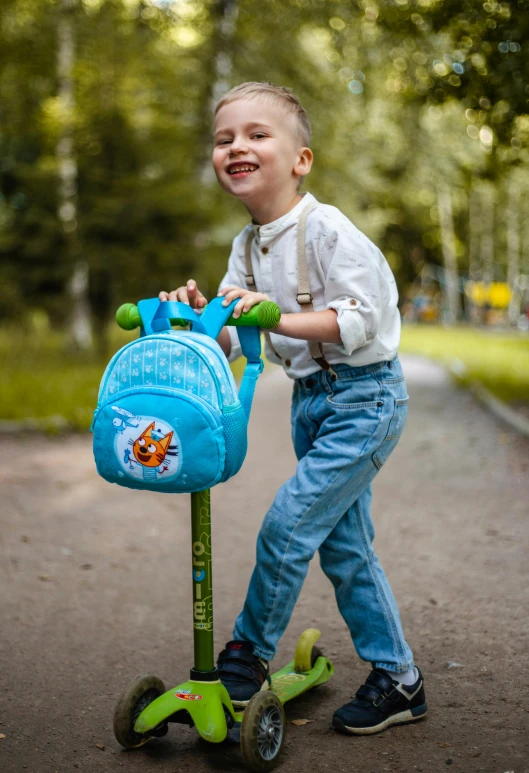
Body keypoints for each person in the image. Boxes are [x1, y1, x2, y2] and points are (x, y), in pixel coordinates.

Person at [159, 82, 427, 735]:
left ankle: (246, 653)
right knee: (344, 547)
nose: (236, 147)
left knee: (287, 524)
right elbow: (229, 336)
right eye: (224, 139)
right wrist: (199, 316)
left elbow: (360, 322)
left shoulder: (328, 231)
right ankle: (399, 679)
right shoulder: (245, 247)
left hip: (364, 397)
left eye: (255, 134)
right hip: (312, 403)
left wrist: (280, 315)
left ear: (299, 159)